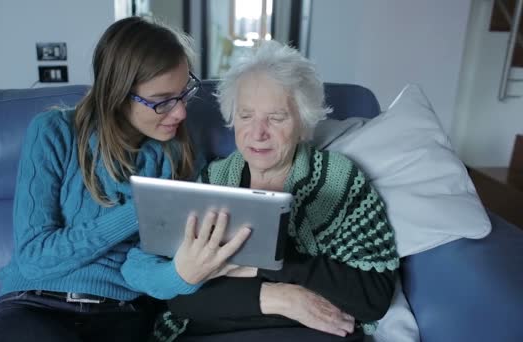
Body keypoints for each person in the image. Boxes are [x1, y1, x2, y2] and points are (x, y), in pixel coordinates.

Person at [0, 17, 251, 342]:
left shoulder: (177, 154)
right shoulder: (53, 132)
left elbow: (151, 266)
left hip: (123, 313)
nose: (180, 114)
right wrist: (142, 208)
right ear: (117, 93)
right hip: (33, 305)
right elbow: (35, 257)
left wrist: (182, 276)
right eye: (163, 101)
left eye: (184, 93)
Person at [153, 41, 400, 342]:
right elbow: (180, 298)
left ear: (303, 121)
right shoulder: (212, 182)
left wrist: (266, 267)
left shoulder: (340, 180)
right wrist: (282, 297)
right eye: (246, 116)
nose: (258, 133)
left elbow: (372, 298)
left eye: (276, 117)